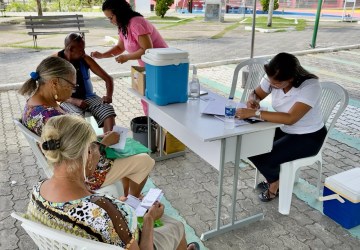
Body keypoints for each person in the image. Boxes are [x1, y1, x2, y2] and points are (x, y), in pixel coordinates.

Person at [26, 114, 200, 250]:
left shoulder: (37, 191)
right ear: (87, 153)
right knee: (176, 226)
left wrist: (118, 207)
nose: (99, 153)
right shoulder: (105, 211)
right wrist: (149, 219)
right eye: (95, 145)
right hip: (135, 240)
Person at [19, 56, 155, 199]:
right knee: (145, 160)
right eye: (72, 86)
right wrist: (104, 143)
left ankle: (127, 195)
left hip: (67, 166)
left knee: (127, 151)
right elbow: (77, 156)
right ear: (54, 83)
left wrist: (97, 138)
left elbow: (67, 143)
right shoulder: (50, 116)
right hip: (82, 174)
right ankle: (132, 202)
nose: (72, 91)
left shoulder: (36, 104)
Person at [235, 52, 327, 202]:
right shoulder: (274, 78)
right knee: (249, 145)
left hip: (309, 136)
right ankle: (275, 177)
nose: (272, 85)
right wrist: (253, 100)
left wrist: (255, 113)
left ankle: (274, 184)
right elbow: (256, 94)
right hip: (285, 129)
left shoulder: (310, 86)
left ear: (291, 78)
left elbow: (291, 118)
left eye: (277, 84)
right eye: (271, 82)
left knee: (265, 158)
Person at [54, 32, 116, 133]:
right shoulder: (56, 61)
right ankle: (85, 146)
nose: (84, 52)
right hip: (67, 99)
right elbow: (52, 92)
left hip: (89, 97)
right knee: (77, 118)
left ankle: (109, 145)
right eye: (81, 50)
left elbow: (108, 78)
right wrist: (73, 100)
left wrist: (109, 96)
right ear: (71, 49)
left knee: (108, 110)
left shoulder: (85, 58)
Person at [90, 0, 168, 67]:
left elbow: (146, 49)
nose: (111, 21)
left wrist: (126, 57)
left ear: (119, 12)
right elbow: (120, 48)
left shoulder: (136, 23)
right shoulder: (123, 26)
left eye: (111, 18)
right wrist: (102, 55)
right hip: (149, 66)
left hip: (162, 65)